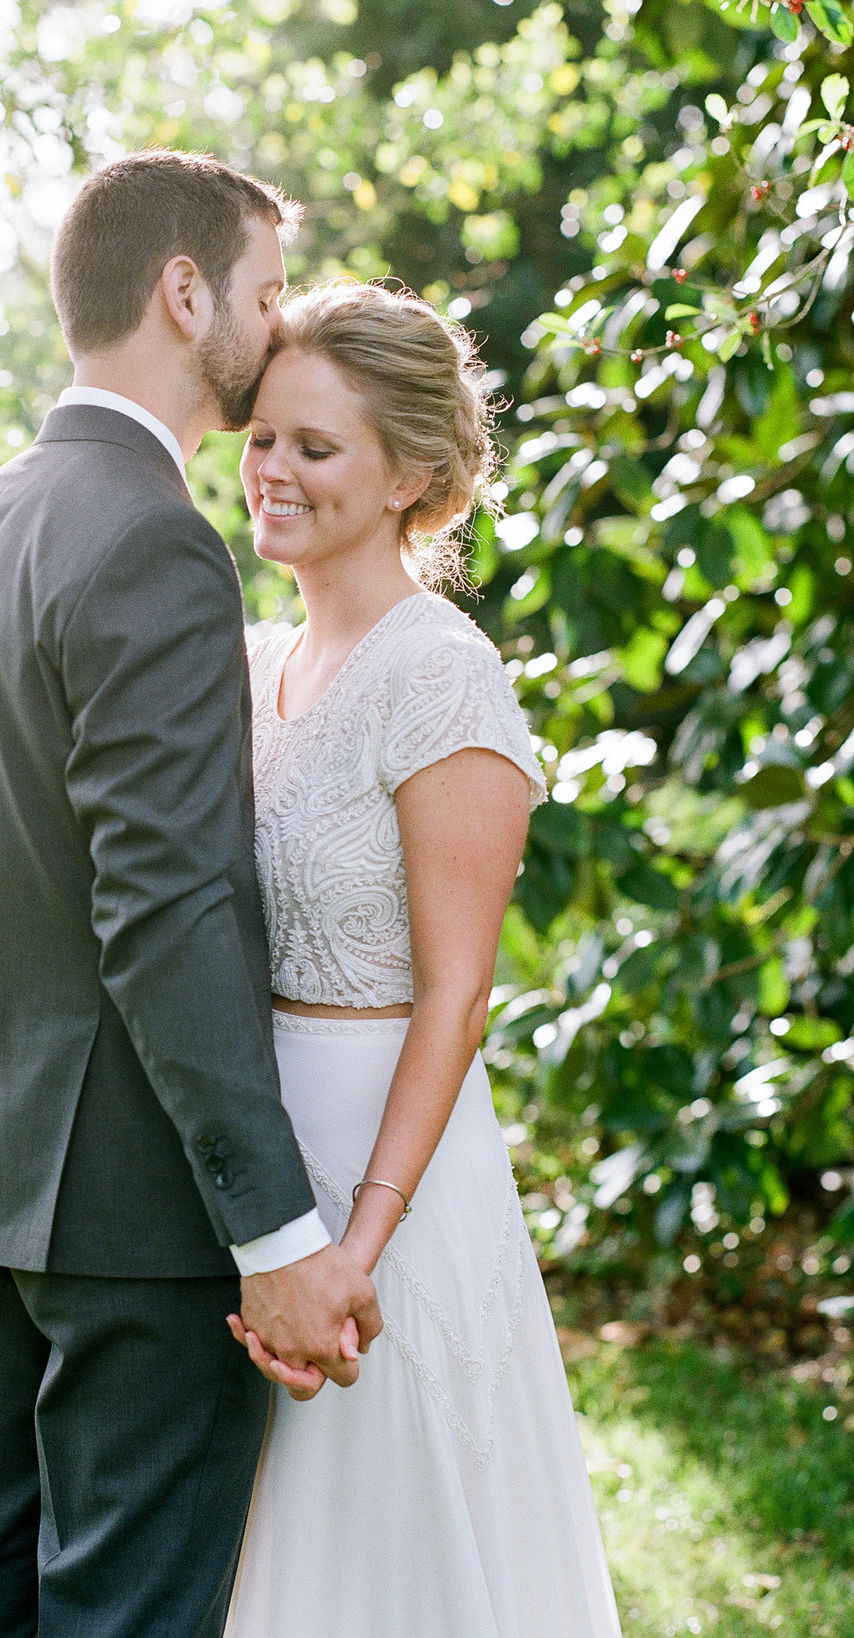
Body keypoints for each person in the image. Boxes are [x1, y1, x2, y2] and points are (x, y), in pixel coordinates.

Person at [0, 152, 381, 1638]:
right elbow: (164, 906)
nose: (275, 321)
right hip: (135, 1216)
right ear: (184, 293)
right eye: (266, 288)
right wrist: (278, 1235)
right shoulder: (158, 541)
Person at [224, 280, 622, 1638]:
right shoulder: (254, 657)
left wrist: (359, 1247)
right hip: (258, 1164)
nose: (272, 470)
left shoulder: (440, 674)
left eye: (314, 446)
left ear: (413, 477)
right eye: (262, 434)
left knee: (393, 1552)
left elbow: (459, 994)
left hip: (390, 1172)